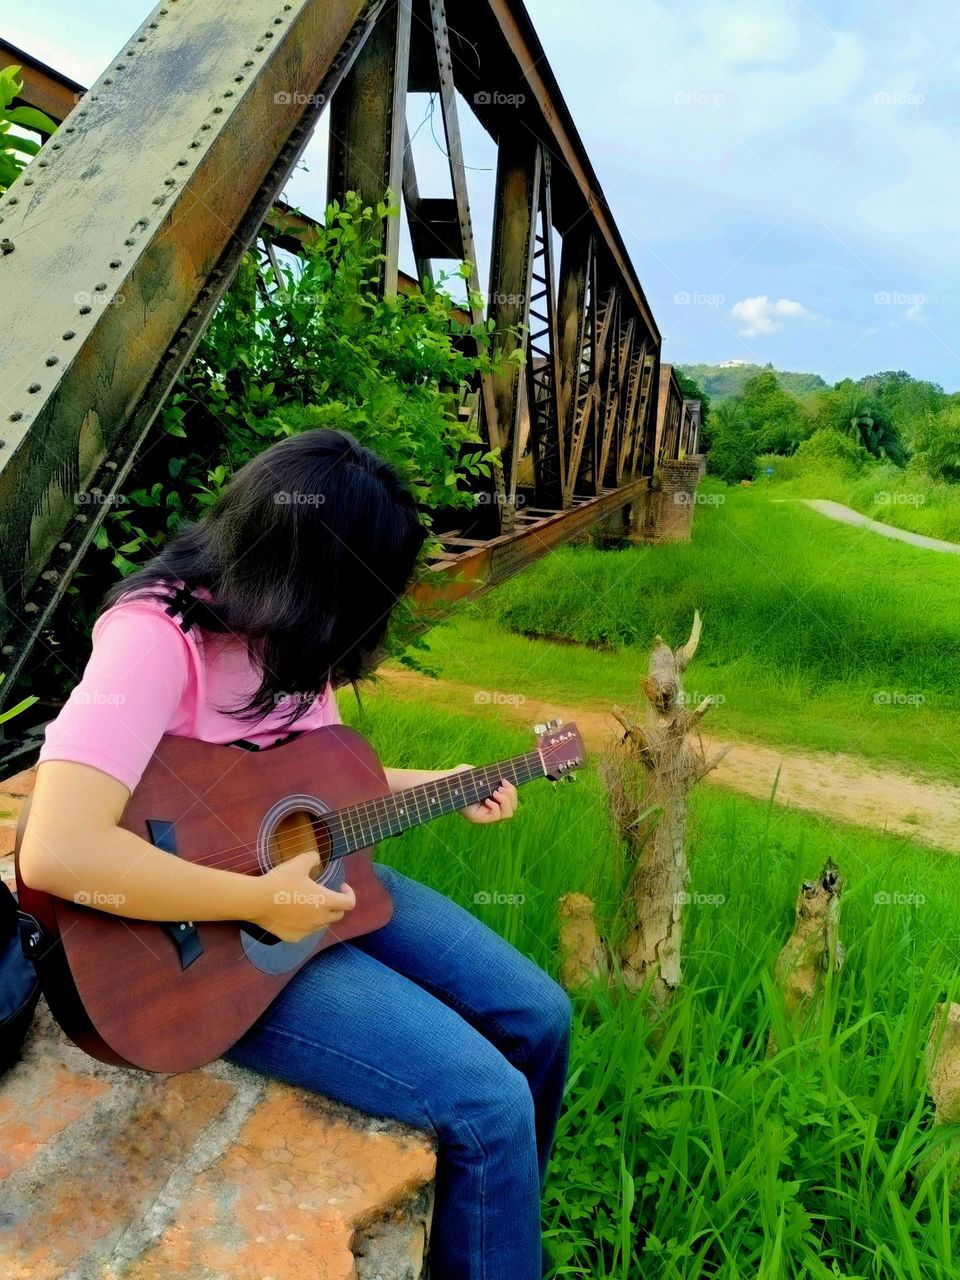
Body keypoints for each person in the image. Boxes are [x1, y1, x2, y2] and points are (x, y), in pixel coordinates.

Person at [17, 428, 572, 1280]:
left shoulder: (294, 634)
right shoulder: (154, 640)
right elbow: (60, 850)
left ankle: (495, 1231)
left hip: (313, 890)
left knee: (541, 1018)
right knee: (487, 1101)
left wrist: (451, 779)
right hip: (207, 951)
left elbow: (314, 782)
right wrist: (253, 901)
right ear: (308, 576)